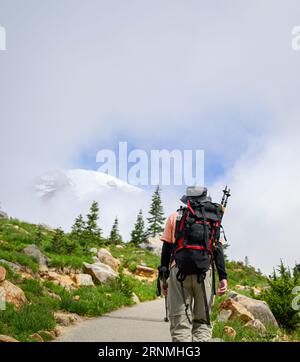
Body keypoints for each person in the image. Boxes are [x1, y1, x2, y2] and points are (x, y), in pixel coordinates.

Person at [159, 186, 228, 342]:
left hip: (178, 273)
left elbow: (166, 250)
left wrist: (164, 278)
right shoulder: (212, 219)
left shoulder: (175, 217)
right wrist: (223, 277)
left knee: (180, 323)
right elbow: (217, 250)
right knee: (203, 323)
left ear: (188, 200)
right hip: (205, 274)